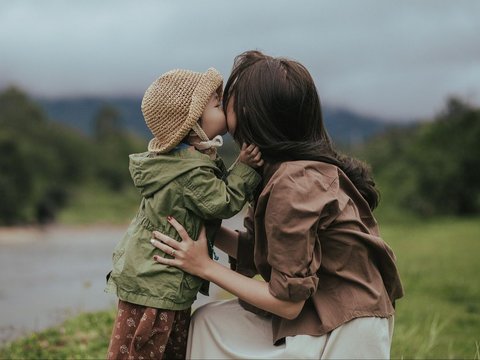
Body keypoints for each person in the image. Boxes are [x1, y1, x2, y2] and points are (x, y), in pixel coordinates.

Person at [150, 50, 404, 359]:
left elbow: (286, 300)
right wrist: (203, 228)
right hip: (322, 310)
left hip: (345, 328)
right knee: (208, 323)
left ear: (248, 112)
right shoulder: (284, 171)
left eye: (224, 101)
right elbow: (265, 253)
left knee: (212, 325)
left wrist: (204, 266)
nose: (220, 108)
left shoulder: (293, 183)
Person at [105, 67, 263, 359]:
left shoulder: (186, 161)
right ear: (193, 126)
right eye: (217, 105)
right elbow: (222, 202)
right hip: (157, 283)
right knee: (148, 348)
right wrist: (245, 169)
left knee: (166, 347)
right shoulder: (188, 170)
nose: (224, 107)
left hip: (158, 279)